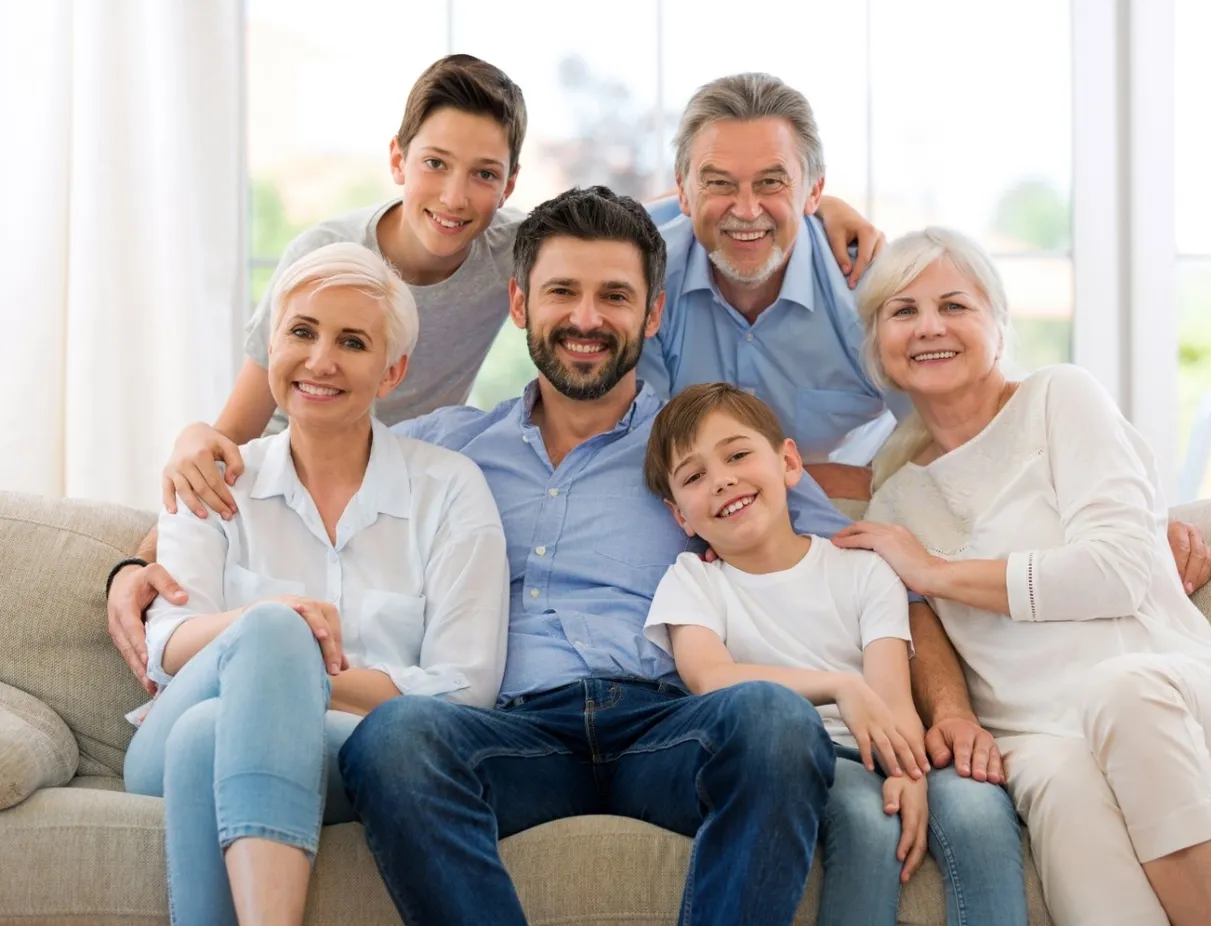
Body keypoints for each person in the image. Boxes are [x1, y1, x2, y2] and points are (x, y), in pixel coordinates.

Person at [105, 188, 1012, 924]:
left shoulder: (702, 454)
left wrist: (944, 712)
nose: (587, 318)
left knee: (771, 720)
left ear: (653, 313)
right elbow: (314, 433)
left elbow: (870, 569)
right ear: (518, 305)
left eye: (615, 296)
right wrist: (135, 559)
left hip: (663, 722)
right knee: (400, 738)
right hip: (510, 731)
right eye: (562, 293)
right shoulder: (446, 451)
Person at [161, 56, 882, 527]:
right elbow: (241, 426)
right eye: (435, 164)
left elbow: (637, 216)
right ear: (398, 160)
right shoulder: (324, 256)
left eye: (482, 174)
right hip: (307, 464)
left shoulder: (512, 247)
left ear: (508, 184)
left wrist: (817, 208)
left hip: (405, 478)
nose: (453, 196)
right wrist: (194, 454)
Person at [833, 226, 1211, 926]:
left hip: (1185, 709)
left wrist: (937, 571)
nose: (930, 327)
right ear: (878, 348)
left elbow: (1119, 571)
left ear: (998, 326)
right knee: (1065, 786)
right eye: (903, 311)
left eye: (955, 305)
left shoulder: (1061, 399)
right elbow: (915, 632)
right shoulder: (893, 502)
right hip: (1039, 740)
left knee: (1121, 689)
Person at [121, 241, 510, 925]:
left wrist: (280, 680)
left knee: (211, 731)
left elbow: (463, 687)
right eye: (300, 332)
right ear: (271, 346)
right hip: (165, 734)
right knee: (273, 626)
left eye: (352, 341)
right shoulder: (212, 480)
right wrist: (274, 638)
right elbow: (169, 644)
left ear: (392, 372)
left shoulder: (450, 490)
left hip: (343, 747)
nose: (320, 360)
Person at [640, 382, 1027, 926]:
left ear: (789, 462)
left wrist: (910, 772)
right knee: (869, 818)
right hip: (800, 762)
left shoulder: (862, 568)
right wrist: (838, 686)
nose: (722, 479)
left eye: (737, 455)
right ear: (680, 515)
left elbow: (893, 697)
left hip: (887, 745)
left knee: (978, 807)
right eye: (694, 476)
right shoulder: (693, 582)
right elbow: (711, 677)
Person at [639, 73, 906, 496]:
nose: (746, 211)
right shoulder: (640, 273)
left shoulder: (874, 291)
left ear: (814, 191)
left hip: (849, 513)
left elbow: (947, 444)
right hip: (689, 518)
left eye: (771, 182)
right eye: (719, 183)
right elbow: (637, 453)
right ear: (684, 192)